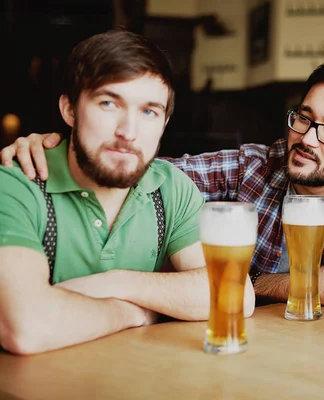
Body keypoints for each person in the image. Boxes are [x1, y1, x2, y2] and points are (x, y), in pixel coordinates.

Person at [1, 59, 324, 310]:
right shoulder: (258, 163)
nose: (308, 138)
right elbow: (143, 170)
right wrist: (62, 148)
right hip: (242, 341)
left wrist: (251, 284)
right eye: (303, 118)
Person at [0, 29, 255, 355]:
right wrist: (133, 312)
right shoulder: (17, 183)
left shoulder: (170, 186)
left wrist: (114, 283)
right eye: (109, 103)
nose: (128, 132)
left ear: (164, 123)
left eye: (149, 111)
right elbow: (25, 327)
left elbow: (234, 295)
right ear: (69, 110)